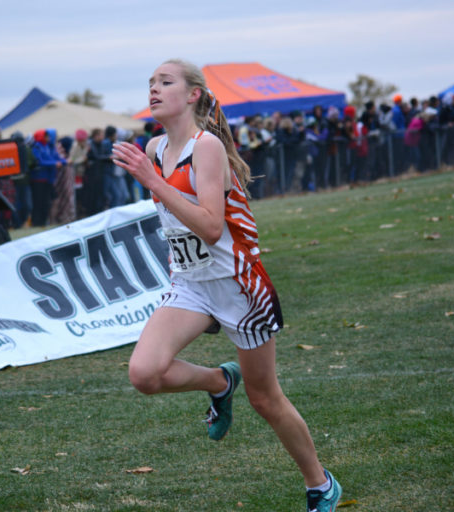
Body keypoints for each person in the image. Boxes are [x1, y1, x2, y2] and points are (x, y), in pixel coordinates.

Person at [111, 59, 342, 512]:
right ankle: (218, 382)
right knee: (144, 374)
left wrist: (152, 180)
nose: (154, 89)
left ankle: (320, 484)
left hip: (239, 285)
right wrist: (152, 174)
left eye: (165, 82)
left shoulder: (206, 147)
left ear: (193, 94)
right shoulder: (155, 146)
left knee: (265, 398)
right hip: (191, 284)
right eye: (151, 83)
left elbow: (212, 228)